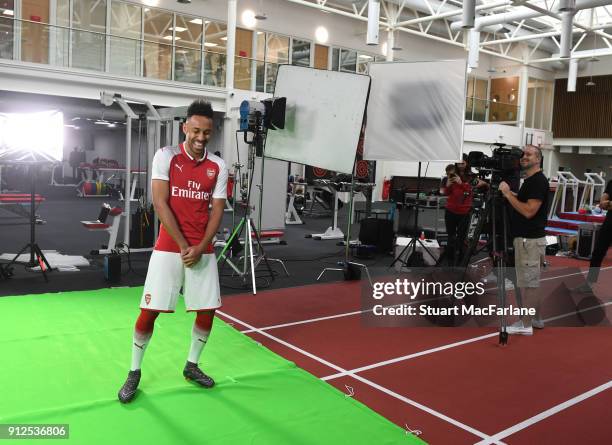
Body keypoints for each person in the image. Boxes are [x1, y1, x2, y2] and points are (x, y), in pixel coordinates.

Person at [118, 99, 228, 403]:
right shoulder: (165, 156)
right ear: (185, 128)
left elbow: (217, 211)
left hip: (202, 249)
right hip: (170, 247)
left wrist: (201, 247)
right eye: (195, 131)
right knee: (149, 311)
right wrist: (183, 246)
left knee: (207, 310)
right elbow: (160, 202)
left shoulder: (218, 165)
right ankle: (134, 372)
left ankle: (192, 366)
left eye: (206, 132)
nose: (200, 137)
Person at [499, 145, 549, 335]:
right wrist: (510, 193)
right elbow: (522, 200)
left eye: (529, 154)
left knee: (529, 283)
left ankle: (525, 324)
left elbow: (528, 211)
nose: (524, 157)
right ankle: (535, 318)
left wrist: (506, 194)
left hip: (530, 241)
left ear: (538, 159)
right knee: (530, 281)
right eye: (523, 154)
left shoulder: (537, 181)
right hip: (528, 240)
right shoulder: (531, 181)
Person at [440, 155, 486, 266]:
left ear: (467, 164)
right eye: (458, 163)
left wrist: (461, 183)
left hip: (464, 212)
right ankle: (450, 260)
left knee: (462, 238)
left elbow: (470, 191)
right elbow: (445, 193)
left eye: (463, 163)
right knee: (450, 236)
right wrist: (448, 185)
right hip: (450, 210)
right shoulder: (451, 175)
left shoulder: (471, 176)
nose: (460, 165)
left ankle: (461, 261)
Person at [575, 179, 612, 293]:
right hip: (610, 223)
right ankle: (589, 284)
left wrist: (609, 203)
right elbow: (605, 196)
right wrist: (602, 202)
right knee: (598, 252)